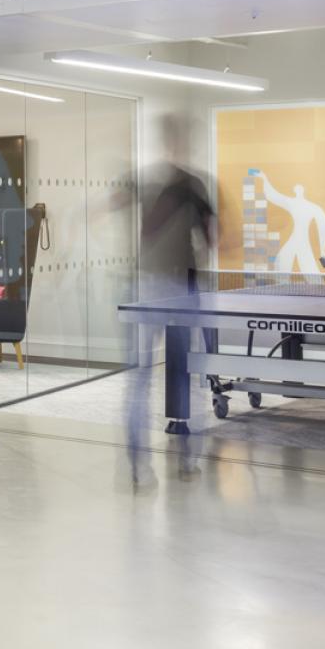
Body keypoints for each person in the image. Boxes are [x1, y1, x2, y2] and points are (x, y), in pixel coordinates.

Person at [124, 116, 217, 472]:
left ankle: (138, 460)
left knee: (143, 373)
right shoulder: (190, 184)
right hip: (177, 286)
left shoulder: (147, 181)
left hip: (152, 285)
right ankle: (186, 458)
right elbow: (213, 238)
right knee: (181, 373)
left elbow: (125, 214)